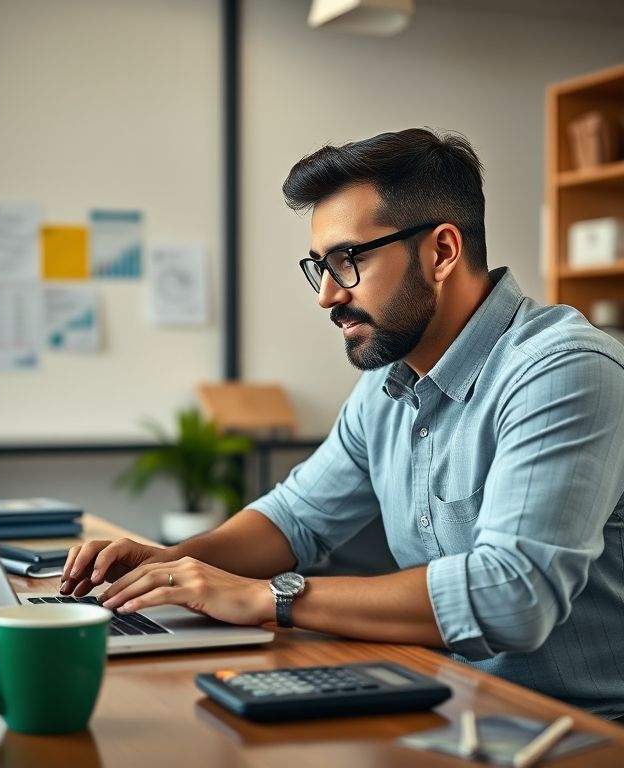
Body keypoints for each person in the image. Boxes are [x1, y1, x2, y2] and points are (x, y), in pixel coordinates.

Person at [61, 128, 624, 719]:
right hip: (450, 703)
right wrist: (170, 564)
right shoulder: (385, 384)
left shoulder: (564, 371)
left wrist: (268, 597)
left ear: (441, 252)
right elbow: (295, 519)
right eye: (320, 266)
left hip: (580, 730)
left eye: (349, 260)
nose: (327, 295)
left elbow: (513, 596)